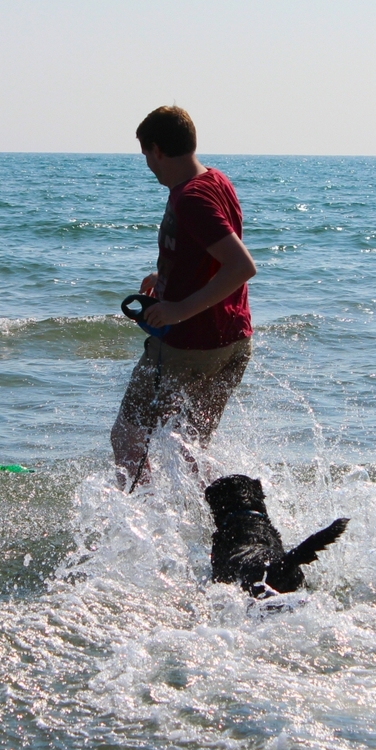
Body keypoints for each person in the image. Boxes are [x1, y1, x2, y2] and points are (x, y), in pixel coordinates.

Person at [111, 106, 257, 488]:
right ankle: (207, 529)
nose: (148, 165)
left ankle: (134, 534)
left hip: (187, 346)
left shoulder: (190, 198)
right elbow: (211, 253)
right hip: (233, 343)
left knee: (128, 438)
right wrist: (167, 274)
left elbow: (241, 266)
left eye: (146, 155)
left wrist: (177, 309)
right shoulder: (216, 181)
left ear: (157, 150)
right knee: (190, 448)